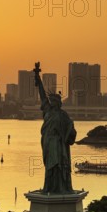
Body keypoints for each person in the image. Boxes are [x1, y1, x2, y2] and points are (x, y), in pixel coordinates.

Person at [34, 62, 77, 194]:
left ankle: (61, 187)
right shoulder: (47, 110)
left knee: (59, 164)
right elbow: (42, 94)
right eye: (51, 100)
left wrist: (70, 132)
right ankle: (50, 187)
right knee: (50, 166)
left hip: (58, 143)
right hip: (48, 141)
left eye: (54, 101)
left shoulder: (63, 115)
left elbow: (70, 129)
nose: (51, 103)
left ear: (59, 103)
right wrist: (37, 76)